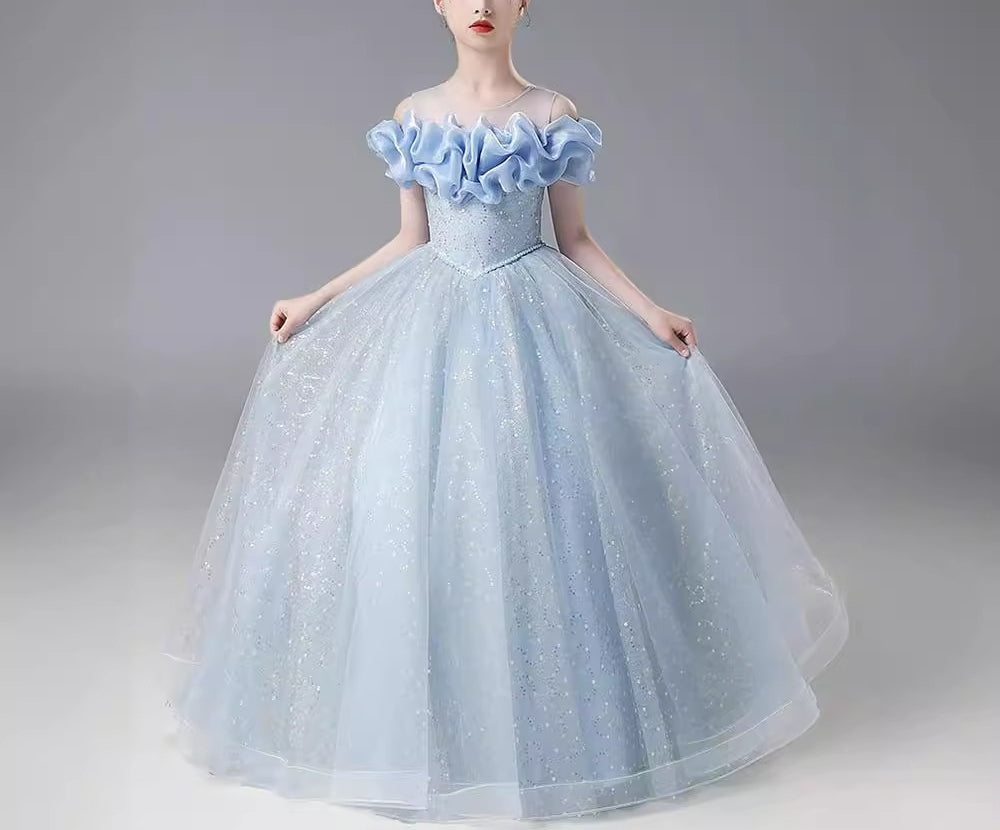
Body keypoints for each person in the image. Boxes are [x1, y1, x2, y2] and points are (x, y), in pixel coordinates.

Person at [160, 0, 848, 823]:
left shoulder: (552, 112)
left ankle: (552, 729)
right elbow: (411, 239)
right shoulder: (415, 113)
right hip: (430, 320)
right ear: (438, 4)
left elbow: (575, 241)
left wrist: (650, 311)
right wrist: (316, 297)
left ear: (525, 5)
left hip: (532, 317)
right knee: (411, 507)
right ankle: (433, 726)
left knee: (541, 514)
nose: (481, 5)